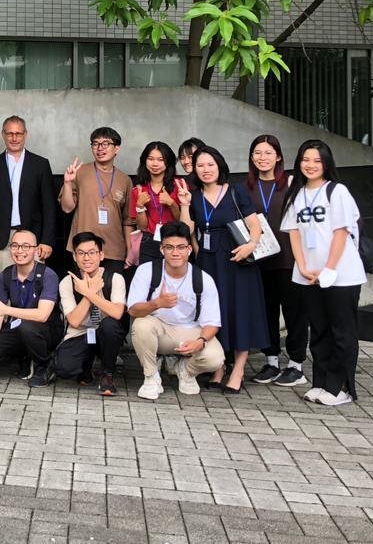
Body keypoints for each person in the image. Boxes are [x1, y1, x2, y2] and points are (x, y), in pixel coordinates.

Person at [280, 140, 366, 407]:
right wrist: (303, 266)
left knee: (341, 331)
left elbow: (342, 232)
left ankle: (340, 387)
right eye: (306, 159)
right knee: (318, 330)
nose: (311, 165)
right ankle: (321, 383)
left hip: (341, 274)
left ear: (326, 163)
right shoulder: (297, 193)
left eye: (317, 160)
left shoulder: (337, 191)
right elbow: (293, 232)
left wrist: (329, 268)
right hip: (308, 274)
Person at [178, 146, 268, 393]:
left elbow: (254, 224)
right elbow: (188, 231)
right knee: (215, 313)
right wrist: (184, 205)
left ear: (219, 166)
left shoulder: (236, 191)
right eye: (200, 166)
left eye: (210, 165)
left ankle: (238, 369)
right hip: (208, 262)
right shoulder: (194, 196)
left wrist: (250, 245)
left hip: (237, 260)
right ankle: (220, 365)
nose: (206, 170)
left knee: (239, 312)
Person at [127, 223, 225, 400]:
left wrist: (200, 341)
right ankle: (151, 377)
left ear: (189, 249)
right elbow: (133, 310)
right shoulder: (147, 270)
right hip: (159, 331)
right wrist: (157, 303)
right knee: (141, 325)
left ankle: (184, 370)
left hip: (189, 333)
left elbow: (212, 322)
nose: (175, 253)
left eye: (180, 247)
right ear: (161, 248)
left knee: (215, 358)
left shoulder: (203, 279)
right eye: (169, 247)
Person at [246, 134, 308, 387]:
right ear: (251, 157)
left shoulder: (292, 184)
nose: (263, 158)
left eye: (268, 153)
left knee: (294, 313)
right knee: (266, 312)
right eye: (258, 153)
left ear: (279, 157)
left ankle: (296, 365)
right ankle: (271, 360)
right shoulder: (245, 187)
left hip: (288, 259)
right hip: (260, 260)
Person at [0, 228, 61, 386]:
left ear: (35, 250)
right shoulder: (6, 275)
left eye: (26, 246)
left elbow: (42, 315)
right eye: (15, 246)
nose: (19, 251)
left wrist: (7, 310)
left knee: (26, 327)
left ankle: (45, 364)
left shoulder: (48, 275)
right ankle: (24, 356)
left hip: (45, 330)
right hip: (19, 327)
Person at [0, 116, 57, 273]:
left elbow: (49, 206)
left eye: (18, 134)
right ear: (3, 134)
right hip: (2, 239)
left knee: (34, 286)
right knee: (5, 286)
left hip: (34, 238)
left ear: (25, 134)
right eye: (10, 133)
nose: (14, 138)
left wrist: (47, 241)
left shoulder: (40, 164)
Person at [53, 232, 127, 396]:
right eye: (81, 253)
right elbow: (74, 320)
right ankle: (85, 368)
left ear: (101, 255)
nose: (87, 258)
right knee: (64, 369)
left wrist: (89, 292)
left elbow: (117, 313)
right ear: (74, 256)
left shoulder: (115, 278)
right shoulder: (67, 282)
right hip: (80, 333)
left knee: (110, 325)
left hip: (104, 335)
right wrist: (88, 295)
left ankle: (107, 375)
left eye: (92, 252)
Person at [59, 126, 131, 275]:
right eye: (95, 144)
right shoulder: (80, 172)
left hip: (114, 250)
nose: (100, 148)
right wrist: (67, 182)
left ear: (116, 148)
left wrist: (130, 250)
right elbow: (67, 207)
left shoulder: (125, 180)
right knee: (82, 293)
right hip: (83, 249)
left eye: (106, 144)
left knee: (111, 293)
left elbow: (128, 221)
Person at [130, 141, 187, 267]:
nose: (155, 164)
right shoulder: (138, 190)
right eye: (150, 159)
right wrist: (140, 206)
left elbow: (182, 221)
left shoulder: (179, 185)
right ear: (144, 161)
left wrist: (171, 203)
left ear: (168, 162)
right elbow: (142, 227)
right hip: (149, 241)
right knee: (151, 280)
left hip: (175, 240)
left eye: (160, 160)